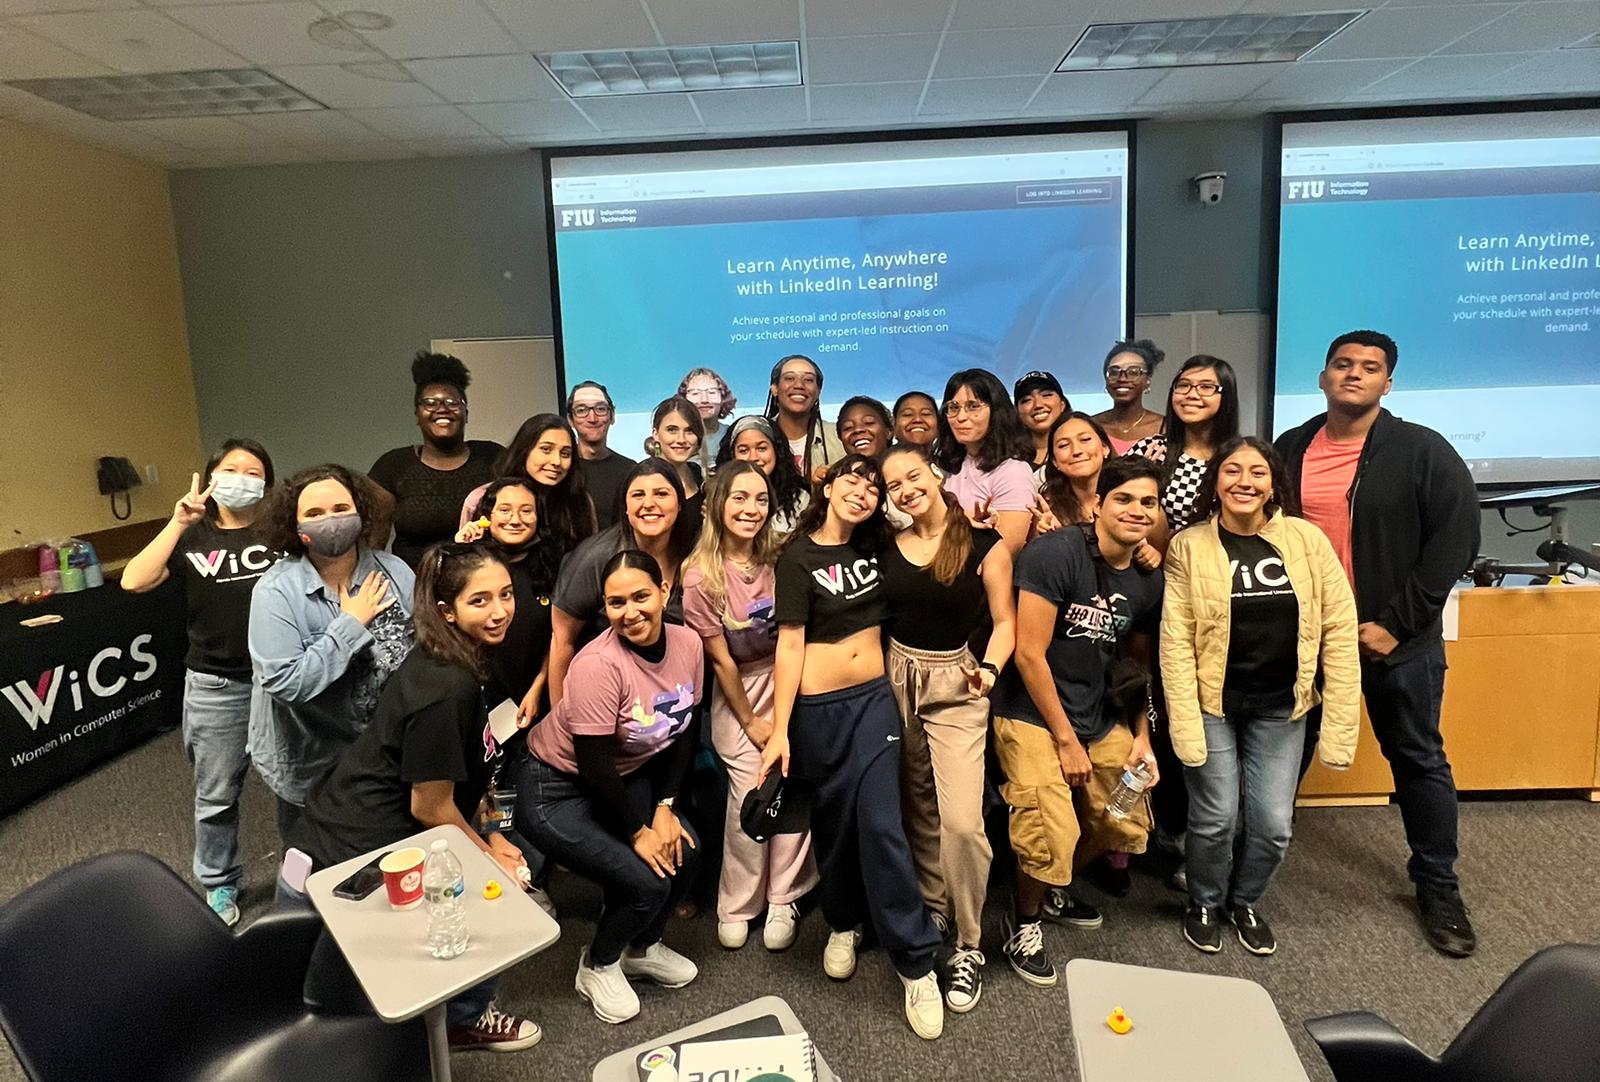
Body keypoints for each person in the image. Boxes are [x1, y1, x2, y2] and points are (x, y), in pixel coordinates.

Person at [283, 543, 541, 1053]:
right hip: (359, 845)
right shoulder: (446, 687)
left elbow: (476, 763)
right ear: (448, 611)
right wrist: (489, 856)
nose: (499, 610)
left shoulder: (468, 658)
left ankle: (458, 1018)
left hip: (390, 828)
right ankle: (459, 1022)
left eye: (506, 595)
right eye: (481, 600)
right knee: (343, 1017)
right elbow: (429, 806)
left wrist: (491, 831)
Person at [1275, 329, 1481, 958]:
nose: (1354, 375)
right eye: (1342, 365)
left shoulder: (1421, 450)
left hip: (1396, 639)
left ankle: (1437, 884)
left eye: (1370, 368)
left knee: (1417, 756)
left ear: (1388, 382)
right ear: (1323, 377)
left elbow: (1454, 541)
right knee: (1281, 751)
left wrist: (1397, 621)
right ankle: (1244, 872)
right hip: (1309, 638)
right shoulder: (1290, 448)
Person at [761, 454, 944, 1041]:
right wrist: (779, 728)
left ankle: (916, 962)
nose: (862, 492)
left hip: (872, 703)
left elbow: (937, 539)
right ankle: (843, 923)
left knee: (882, 825)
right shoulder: (796, 558)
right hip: (816, 713)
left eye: (873, 486)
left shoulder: (881, 546)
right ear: (828, 484)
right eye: (853, 480)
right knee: (834, 825)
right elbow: (789, 646)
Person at [1160, 437, 1359, 957]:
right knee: (1216, 817)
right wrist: (1183, 719)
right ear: (1216, 481)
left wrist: (1340, 717)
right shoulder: (1189, 545)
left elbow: (1339, 626)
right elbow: (1176, 641)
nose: (1243, 481)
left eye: (1256, 472)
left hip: (1282, 706)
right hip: (1212, 704)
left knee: (1273, 825)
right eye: (1232, 470)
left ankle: (1243, 901)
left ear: (1273, 483)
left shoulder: (1307, 541)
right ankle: (1203, 900)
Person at [988, 457, 1164, 988]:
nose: (1136, 511)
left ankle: (1053, 887)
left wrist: (1142, 737)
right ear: (1099, 504)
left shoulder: (1146, 580)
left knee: (1123, 818)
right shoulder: (1054, 554)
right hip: (1033, 715)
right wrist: (1066, 741)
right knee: (1049, 832)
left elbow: (1135, 669)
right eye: (1125, 499)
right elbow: (1029, 654)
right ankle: (1023, 920)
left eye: (1147, 503)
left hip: (1101, 714)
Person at [515, 550, 703, 1024]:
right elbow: (593, 763)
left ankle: (640, 948)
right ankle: (597, 965)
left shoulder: (688, 644)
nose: (630, 611)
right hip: (557, 787)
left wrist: (665, 806)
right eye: (616, 603)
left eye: (641, 596)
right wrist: (638, 833)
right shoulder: (598, 664)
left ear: (664, 593)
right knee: (643, 876)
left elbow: (685, 725)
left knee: (685, 850)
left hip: (624, 777)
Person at [880, 444, 1015, 1014]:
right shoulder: (885, 545)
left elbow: (1005, 622)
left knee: (962, 821)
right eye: (894, 486)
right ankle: (932, 902)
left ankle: (968, 942)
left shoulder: (984, 544)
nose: (906, 489)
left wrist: (989, 668)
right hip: (894, 673)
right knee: (917, 806)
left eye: (913, 476)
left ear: (935, 474)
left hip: (958, 681)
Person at [122, 438, 280, 926]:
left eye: (253, 471)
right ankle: (219, 884)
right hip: (216, 685)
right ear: (211, 478)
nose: (242, 477)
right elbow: (133, 580)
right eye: (231, 469)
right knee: (215, 795)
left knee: (299, 786)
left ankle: (308, 871)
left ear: (266, 485)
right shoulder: (193, 535)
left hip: (280, 682)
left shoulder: (281, 536)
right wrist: (179, 521)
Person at [683, 463, 817, 952]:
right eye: (739, 498)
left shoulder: (781, 556)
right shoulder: (700, 575)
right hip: (739, 690)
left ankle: (784, 896)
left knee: (792, 786)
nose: (750, 510)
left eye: (760, 499)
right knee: (751, 793)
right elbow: (719, 660)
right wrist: (752, 721)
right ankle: (738, 902)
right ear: (719, 503)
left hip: (789, 678)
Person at [249, 465, 415, 838]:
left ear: (361, 512)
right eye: (314, 514)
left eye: (341, 508)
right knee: (310, 870)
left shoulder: (396, 573)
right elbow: (286, 683)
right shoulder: (276, 591)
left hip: (383, 754)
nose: (331, 520)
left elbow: (419, 651)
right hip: (311, 760)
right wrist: (350, 625)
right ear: (295, 526)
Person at [546, 460, 697, 706]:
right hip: (602, 698)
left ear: (679, 504)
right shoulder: (596, 557)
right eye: (638, 494)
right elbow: (562, 640)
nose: (649, 503)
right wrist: (561, 718)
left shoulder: (692, 555)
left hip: (670, 699)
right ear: (625, 506)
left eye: (661, 493)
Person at [367, 352, 502, 568]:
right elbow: (373, 543)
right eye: (430, 403)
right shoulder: (393, 465)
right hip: (413, 589)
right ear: (417, 414)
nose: (442, 409)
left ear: (466, 413)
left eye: (452, 402)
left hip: (480, 586)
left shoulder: (493, 457)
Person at [455, 479, 557, 723]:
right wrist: (458, 552)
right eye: (504, 509)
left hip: (534, 696)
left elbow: (558, 637)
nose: (515, 519)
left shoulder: (552, 565)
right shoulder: (470, 561)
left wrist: (538, 688)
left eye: (526, 510)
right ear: (487, 515)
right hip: (476, 698)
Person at [1129, 356, 1240, 537]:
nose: (1192, 394)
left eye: (1206, 387)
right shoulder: (1150, 450)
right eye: (1183, 385)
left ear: (1226, 396)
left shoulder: (1240, 457)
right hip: (1157, 560)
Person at [457, 414, 594, 552]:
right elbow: (465, 562)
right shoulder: (480, 498)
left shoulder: (578, 500)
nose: (556, 461)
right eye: (546, 449)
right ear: (524, 451)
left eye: (565, 453)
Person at [935, 368, 1036, 554]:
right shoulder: (944, 468)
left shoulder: (1013, 471)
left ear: (996, 411)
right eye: (953, 407)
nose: (961, 417)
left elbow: (1005, 553)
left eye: (973, 406)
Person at [717, 414, 810, 537]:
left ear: (776, 451)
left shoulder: (799, 497)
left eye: (761, 448)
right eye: (744, 450)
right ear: (732, 455)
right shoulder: (717, 495)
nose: (753, 458)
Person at [568, 380, 636, 532]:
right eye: (581, 410)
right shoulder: (561, 469)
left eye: (600, 409)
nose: (592, 418)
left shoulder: (630, 470)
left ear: (612, 416)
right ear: (570, 420)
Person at [764, 355, 845, 479]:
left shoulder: (839, 437)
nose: (799, 385)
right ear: (774, 389)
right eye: (790, 378)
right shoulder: (758, 435)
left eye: (808, 380)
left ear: (818, 391)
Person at [1039, 412, 1113, 526]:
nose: (1076, 451)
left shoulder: (1130, 493)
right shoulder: (1047, 507)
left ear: (1105, 448)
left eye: (1085, 439)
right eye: (1063, 445)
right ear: (1054, 461)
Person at [1093, 340, 1165, 454]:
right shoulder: (1091, 426)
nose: (1122, 378)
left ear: (1147, 380)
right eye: (1114, 372)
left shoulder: (1166, 427)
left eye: (1133, 372)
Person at [646, 395, 706, 504]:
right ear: (656, 434)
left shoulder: (697, 473)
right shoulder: (643, 477)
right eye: (672, 430)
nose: (681, 439)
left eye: (690, 431)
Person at [679, 367, 736, 477]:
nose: (704, 400)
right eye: (695, 393)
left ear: (723, 397)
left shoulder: (733, 435)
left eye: (712, 392)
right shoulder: (678, 439)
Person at [1014, 371, 1070, 469]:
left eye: (1046, 395)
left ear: (1062, 404)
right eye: (1027, 400)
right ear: (1018, 412)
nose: (1038, 405)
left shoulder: (1082, 452)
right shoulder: (1009, 461)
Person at [837, 395, 894, 460]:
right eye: (848, 427)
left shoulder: (906, 466)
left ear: (889, 432)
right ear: (840, 438)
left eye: (869, 422)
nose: (858, 429)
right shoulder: (834, 470)